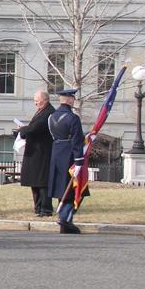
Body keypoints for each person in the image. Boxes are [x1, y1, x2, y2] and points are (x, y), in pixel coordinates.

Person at [47, 88, 86, 234]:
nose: (73, 100)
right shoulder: (73, 118)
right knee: (74, 189)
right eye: (73, 98)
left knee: (61, 189)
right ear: (69, 100)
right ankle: (65, 218)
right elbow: (76, 141)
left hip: (56, 152)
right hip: (69, 154)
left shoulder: (51, 117)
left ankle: (65, 223)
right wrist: (79, 162)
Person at [16, 90, 56, 217]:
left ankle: (46, 209)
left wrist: (23, 130)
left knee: (42, 182)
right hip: (35, 151)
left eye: (37, 101)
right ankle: (38, 207)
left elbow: (36, 127)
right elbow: (33, 128)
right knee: (35, 181)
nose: (35, 103)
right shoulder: (41, 111)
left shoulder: (49, 112)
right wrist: (22, 131)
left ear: (45, 100)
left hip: (42, 152)